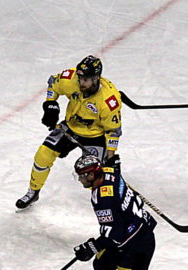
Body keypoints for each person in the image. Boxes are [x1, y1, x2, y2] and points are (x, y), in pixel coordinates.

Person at [15, 55, 123, 210]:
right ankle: (33, 191)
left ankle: (107, 206)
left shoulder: (109, 101)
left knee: (93, 176)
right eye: (80, 78)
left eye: (86, 80)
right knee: (43, 155)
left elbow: (113, 131)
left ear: (96, 78)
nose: (81, 82)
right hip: (70, 128)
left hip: (95, 137)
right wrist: (50, 104)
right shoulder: (71, 78)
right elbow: (53, 83)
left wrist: (110, 157)